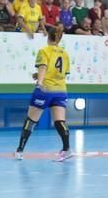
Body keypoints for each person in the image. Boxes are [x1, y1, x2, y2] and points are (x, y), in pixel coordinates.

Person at [15, 25, 73, 162]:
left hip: (45, 90)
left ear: (48, 37)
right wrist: (39, 75)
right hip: (61, 90)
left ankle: (20, 150)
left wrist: (39, 82)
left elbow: (43, 67)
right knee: (59, 121)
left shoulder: (44, 51)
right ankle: (67, 149)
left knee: (31, 120)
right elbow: (61, 72)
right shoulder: (65, 54)